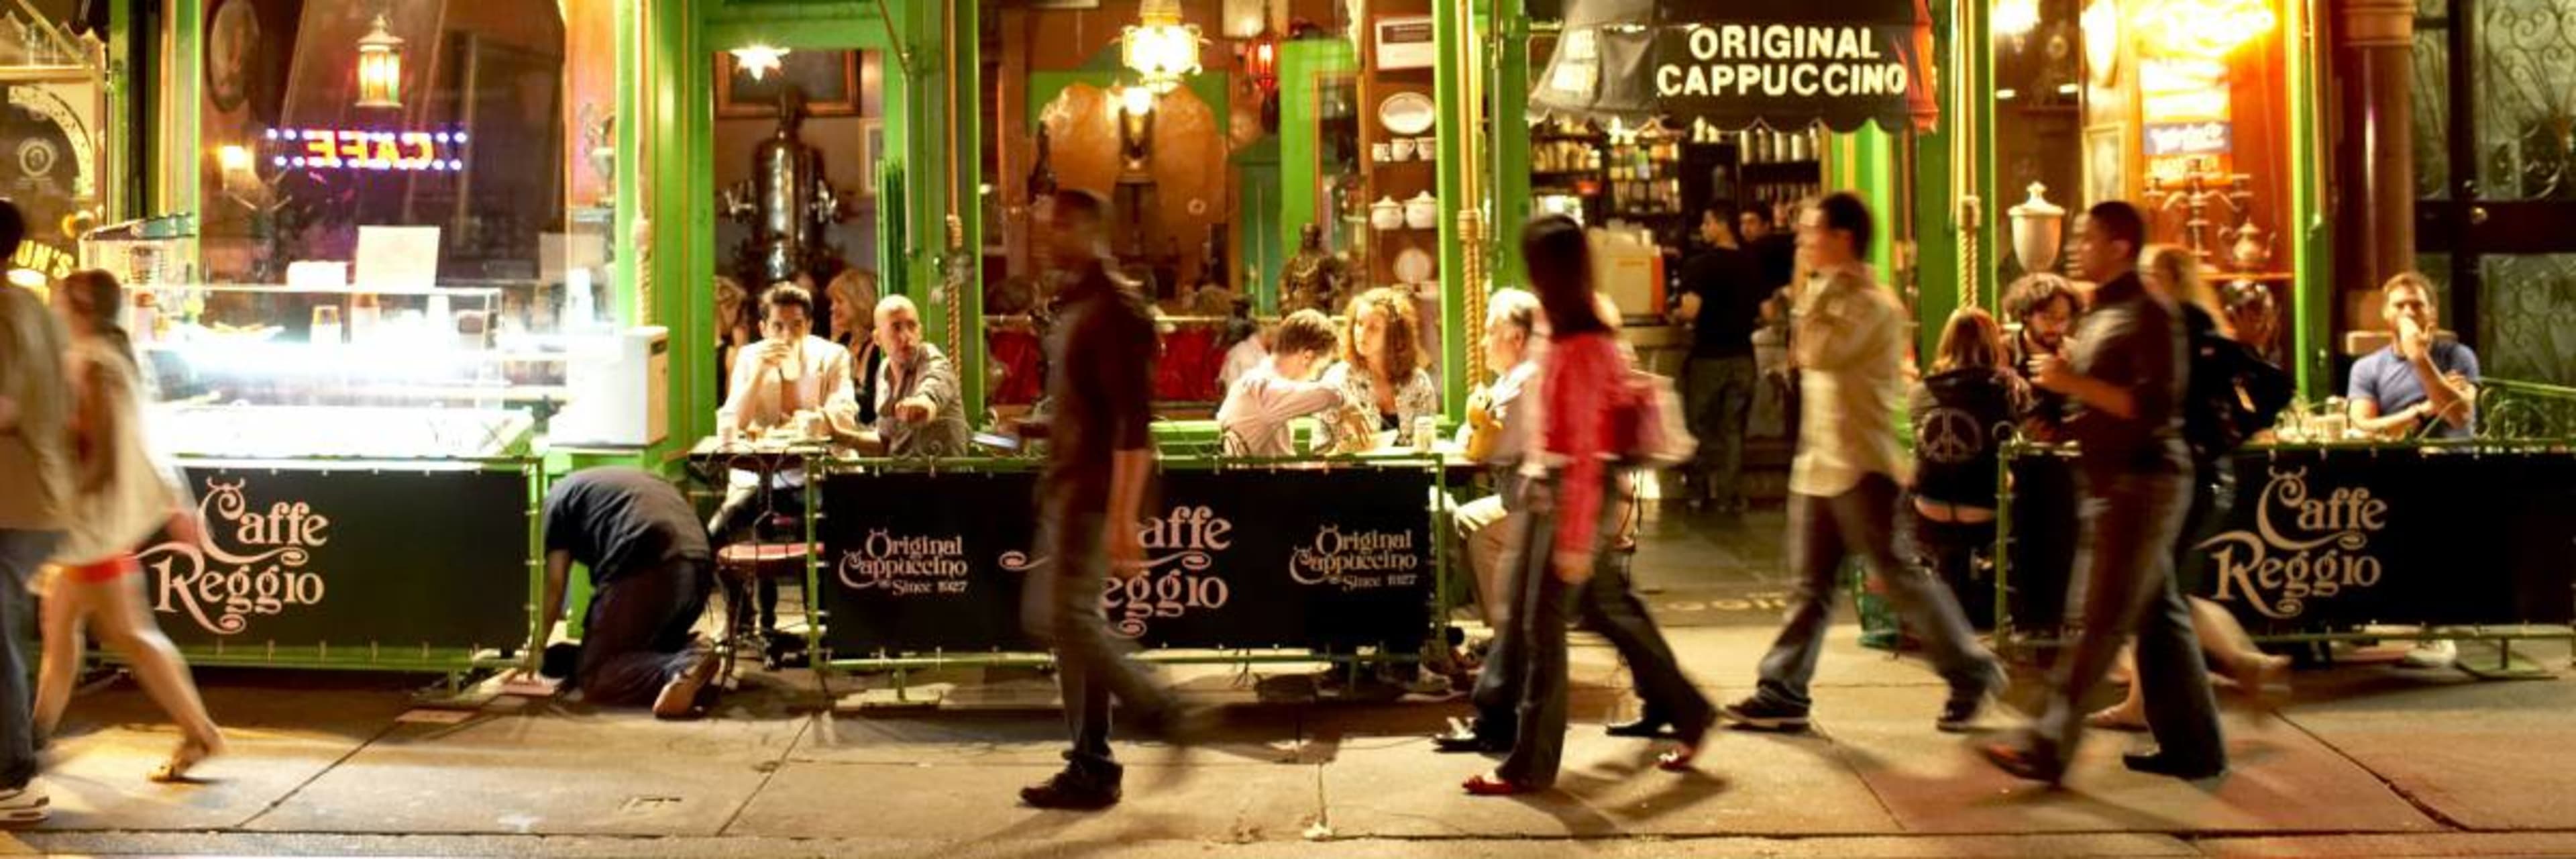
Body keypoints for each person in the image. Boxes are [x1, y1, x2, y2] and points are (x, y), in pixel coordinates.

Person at [1721, 193, 2004, 735]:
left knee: (1897, 577)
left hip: (1862, 465)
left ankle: (1972, 670)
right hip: (1821, 465)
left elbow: (1818, 353)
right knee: (1811, 585)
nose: (1802, 240)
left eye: (1812, 231)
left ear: (1844, 237)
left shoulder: (1871, 304)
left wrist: (1809, 296)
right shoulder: (1832, 293)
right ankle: (1782, 688)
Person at [1461, 215, 1713, 795]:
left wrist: (1574, 541)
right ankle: (1692, 712)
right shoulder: (1567, 324)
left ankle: (1529, 762)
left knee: (1541, 630)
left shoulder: (1581, 340)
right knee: (1599, 610)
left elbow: (1582, 452)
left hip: (1571, 496)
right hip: (1556, 491)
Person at [1982, 202, 2227, 784]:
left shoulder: (2149, 314)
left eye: (2088, 237)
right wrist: (2060, 417)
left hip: (2143, 482)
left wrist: (2071, 383)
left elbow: (2149, 409)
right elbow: (2097, 400)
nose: (2076, 248)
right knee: (2159, 619)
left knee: (2099, 621)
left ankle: (2046, 747)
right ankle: (2196, 747)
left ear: (2120, 245)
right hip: (2113, 480)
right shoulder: (2102, 314)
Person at [1017, 189, 1193, 811]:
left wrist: (1124, 519)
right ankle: (1092, 763)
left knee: (1068, 620)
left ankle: (1161, 709)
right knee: (1067, 627)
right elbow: (1086, 405)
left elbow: (1132, 422)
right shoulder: (1077, 303)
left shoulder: (1115, 309)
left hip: (1096, 491)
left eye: (1057, 225)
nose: (1046, 237)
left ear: (1090, 230)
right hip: (1072, 482)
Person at [28, 270, 227, 784]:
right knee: (65, 630)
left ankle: (199, 730)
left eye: (59, 301)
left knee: (130, 634)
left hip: (90, 527)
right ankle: (31, 740)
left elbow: (99, 447)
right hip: (96, 524)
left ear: (79, 307)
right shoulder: (115, 358)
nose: (53, 308)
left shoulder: (91, 361)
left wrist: (70, 501)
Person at [2087, 246, 2292, 731]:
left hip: (2185, 474)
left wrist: (2223, 433)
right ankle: (2161, 694)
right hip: (2198, 470)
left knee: (2158, 592)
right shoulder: (2192, 326)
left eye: (2146, 274)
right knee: (2157, 591)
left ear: (2166, 278)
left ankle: (2246, 664)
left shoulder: (2183, 328)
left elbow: (2271, 387)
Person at [2345, 272, 2479, 668]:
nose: (2408, 311)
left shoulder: (2457, 357)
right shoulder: (2368, 368)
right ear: (2386, 313)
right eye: (2400, 305)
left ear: (2431, 312)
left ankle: (2437, 631)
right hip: (2395, 463)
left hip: (2451, 465)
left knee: (2433, 500)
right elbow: (2363, 424)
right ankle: (2354, 614)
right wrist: (2420, 410)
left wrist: (2420, 359)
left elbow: (2458, 414)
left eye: (2417, 304)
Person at [709, 283, 855, 637]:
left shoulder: (832, 356)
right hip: (762, 479)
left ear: (809, 325)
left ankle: (825, 624)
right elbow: (734, 421)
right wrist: (760, 372)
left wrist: (814, 419)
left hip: (813, 474)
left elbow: (845, 410)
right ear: (764, 328)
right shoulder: (749, 356)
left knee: (824, 527)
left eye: (796, 325)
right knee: (715, 532)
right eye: (778, 326)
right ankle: (741, 618)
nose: (787, 334)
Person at [521, 467, 718, 719]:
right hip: (699, 568)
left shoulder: (552, 506)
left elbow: (555, 586)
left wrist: (533, 650)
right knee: (635, 648)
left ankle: (682, 666)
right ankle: (693, 649)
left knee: (594, 674)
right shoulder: (601, 484)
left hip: (646, 567)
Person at [0, 200, 68, 824]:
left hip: (11, 499)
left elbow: (6, 408)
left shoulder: (5, 312)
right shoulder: (36, 309)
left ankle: (15, 777)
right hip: (39, 498)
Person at [1907, 308, 2028, 629]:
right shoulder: (2006, 389)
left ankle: (1950, 609)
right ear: (1994, 343)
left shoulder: (1919, 392)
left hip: (1928, 508)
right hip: (1982, 512)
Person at [1671, 203, 1768, 512]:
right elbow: (1768, 313)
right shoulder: (1753, 263)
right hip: (1743, 357)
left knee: (1699, 427)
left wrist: (1673, 314)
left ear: (1721, 225)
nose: (1703, 229)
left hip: (1709, 356)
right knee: (1733, 429)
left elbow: (1690, 312)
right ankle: (1728, 497)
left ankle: (1698, 494)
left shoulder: (1700, 265)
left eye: (1707, 222)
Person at [843, 295, 970, 458]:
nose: (905, 336)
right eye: (896, 328)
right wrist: (838, 434)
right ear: (877, 338)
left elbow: (935, 383)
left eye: (912, 326)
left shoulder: (933, 359)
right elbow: (885, 443)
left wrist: (924, 403)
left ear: (921, 332)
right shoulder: (884, 369)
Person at [1321, 287, 1438, 451]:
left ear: (1394, 335)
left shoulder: (1417, 381)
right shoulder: (1337, 379)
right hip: (1350, 474)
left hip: (1411, 474)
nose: (1362, 333)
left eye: (1373, 328)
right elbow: (1320, 447)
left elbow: (1427, 445)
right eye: (1359, 324)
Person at [1214, 309, 1342, 458]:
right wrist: (1348, 401)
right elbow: (1329, 395)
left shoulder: (1257, 380)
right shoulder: (1266, 389)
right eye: (1318, 369)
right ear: (1307, 357)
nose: (1314, 377)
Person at [2004, 273, 2083, 442]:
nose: (2055, 326)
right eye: (2046, 317)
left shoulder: (2077, 354)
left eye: (2063, 319)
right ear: (2026, 315)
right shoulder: (2002, 353)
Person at [826, 268, 885, 427]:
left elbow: (873, 407)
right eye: (832, 302)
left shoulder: (879, 347)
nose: (832, 308)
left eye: (839, 301)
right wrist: (833, 341)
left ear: (860, 302)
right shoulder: (843, 342)